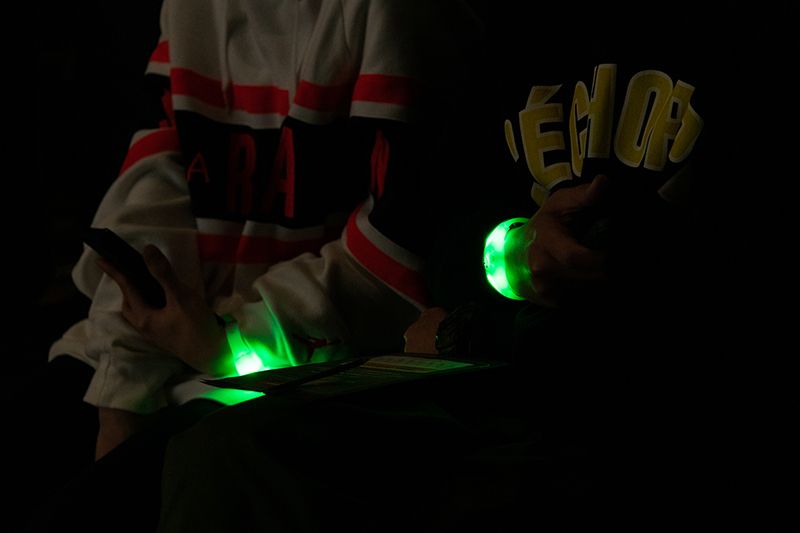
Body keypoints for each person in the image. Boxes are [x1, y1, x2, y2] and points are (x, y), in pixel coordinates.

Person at [22, 1, 486, 532]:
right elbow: (151, 194)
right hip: (176, 341)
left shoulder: (397, 16)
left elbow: (400, 251)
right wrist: (122, 386)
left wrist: (227, 340)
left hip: (307, 362)